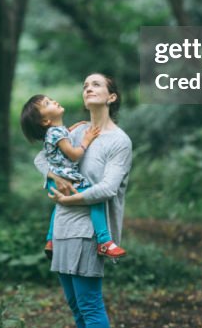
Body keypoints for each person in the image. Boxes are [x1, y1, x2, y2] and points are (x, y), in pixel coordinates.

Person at [34, 73, 132, 328]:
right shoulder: (73, 132)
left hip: (90, 229)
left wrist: (73, 197)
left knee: (90, 304)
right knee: (75, 305)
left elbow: (108, 188)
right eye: (85, 85)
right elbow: (41, 158)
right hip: (61, 226)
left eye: (97, 84)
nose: (88, 87)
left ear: (111, 97)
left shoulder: (119, 141)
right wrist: (53, 176)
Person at [19, 93, 127, 259]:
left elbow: (59, 141)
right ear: (45, 121)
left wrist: (70, 130)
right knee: (94, 199)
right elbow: (74, 155)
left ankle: (50, 239)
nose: (54, 101)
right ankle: (104, 241)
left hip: (55, 181)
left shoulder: (56, 132)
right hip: (65, 177)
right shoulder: (56, 133)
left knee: (59, 205)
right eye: (48, 103)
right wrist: (87, 139)